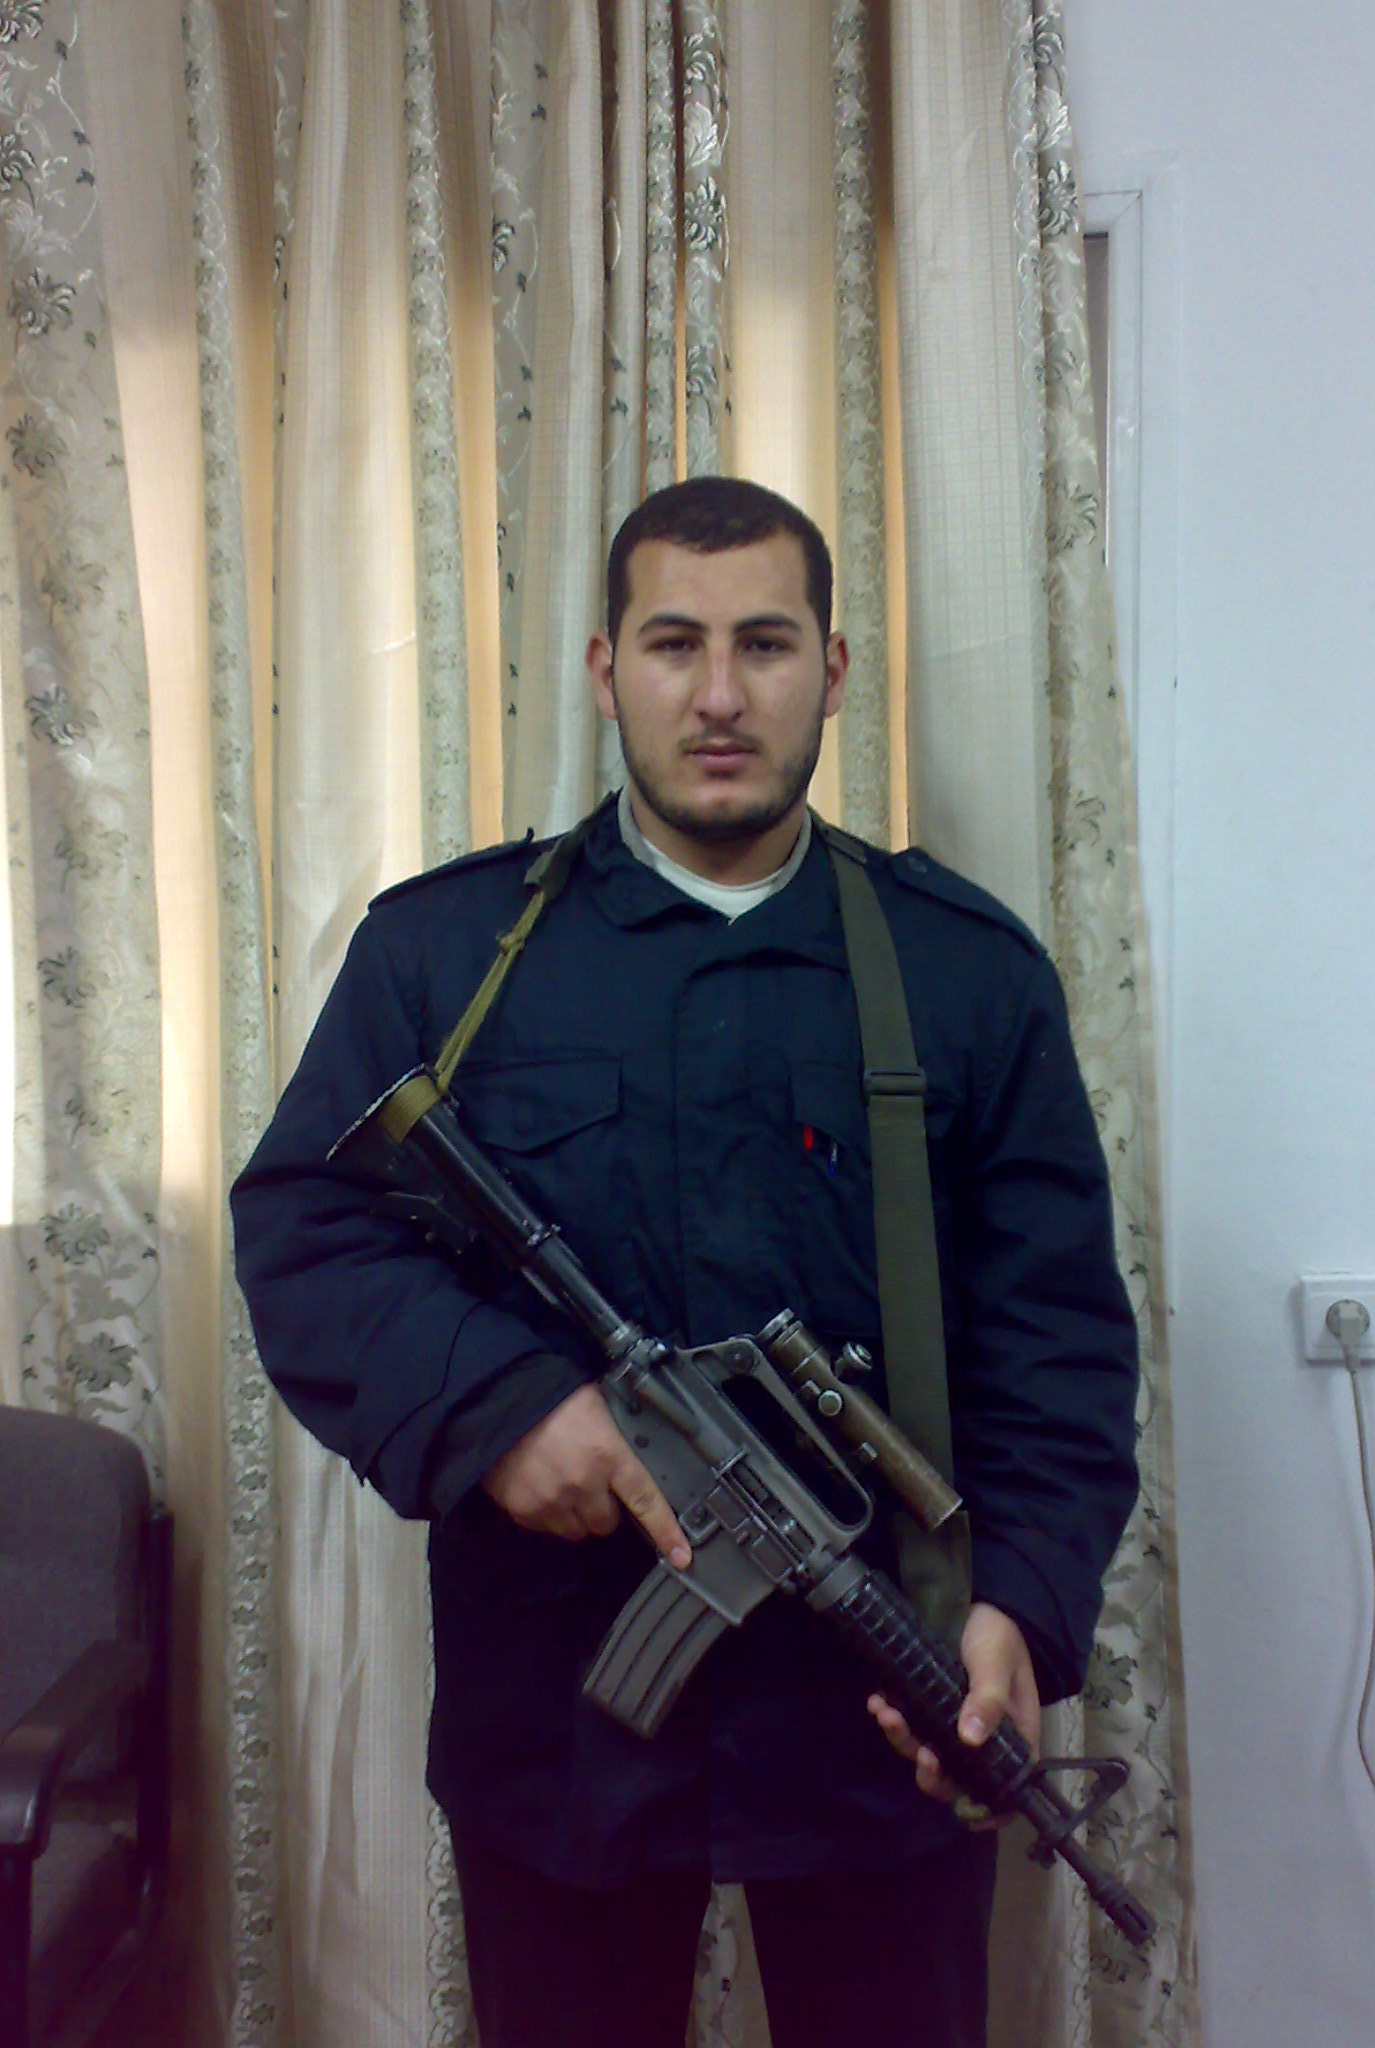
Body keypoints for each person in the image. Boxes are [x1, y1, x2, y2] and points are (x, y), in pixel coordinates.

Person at [231, 477, 1140, 2048]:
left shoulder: (963, 974)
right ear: (607, 671)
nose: (720, 695)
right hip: (562, 1703)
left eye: (765, 645)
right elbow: (309, 1228)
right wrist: (502, 1409)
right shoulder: (446, 957)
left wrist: (1024, 1608)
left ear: (831, 671)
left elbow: (1053, 1339)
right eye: (674, 645)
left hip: (885, 1704)